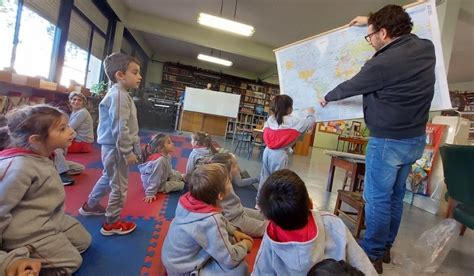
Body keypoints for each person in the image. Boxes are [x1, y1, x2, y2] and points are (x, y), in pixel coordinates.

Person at [319, 5, 435, 273]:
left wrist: (327, 96)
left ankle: (371, 254)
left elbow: (352, 86)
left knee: (378, 199)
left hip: (388, 142)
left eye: (370, 35)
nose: (370, 40)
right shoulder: (426, 49)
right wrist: (370, 21)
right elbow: (400, 21)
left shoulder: (382, 63)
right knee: (395, 197)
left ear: (384, 33)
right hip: (414, 139)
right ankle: (385, 248)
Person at [0, 105, 91, 275]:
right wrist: (6, 263)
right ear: (36, 140)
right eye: (63, 129)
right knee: (72, 261)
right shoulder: (18, 167)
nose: (71, 131)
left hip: (47, 217)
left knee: (83, 241)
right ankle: (19, 251)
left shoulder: (44, 155)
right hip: (26, 232)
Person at [253, 169, 376, 276]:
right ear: (311, 203)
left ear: (271, 220)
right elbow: (364, 266)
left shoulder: (272, 236)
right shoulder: (333, 224)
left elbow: (260, 271)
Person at [78, 52, 142, 236]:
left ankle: (90, 205)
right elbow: (120, 127)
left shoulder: (121, 94)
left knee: (108, 177)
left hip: (113, 148)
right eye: (135, 72)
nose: (139, 76)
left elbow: (130, 126)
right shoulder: (119, 96)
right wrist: (127, 151)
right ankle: (111, 223)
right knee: (120, 187)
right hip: (116, 149)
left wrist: (135, 147)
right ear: (120, 75)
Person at [162, 163, 253, 275]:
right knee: (240, 269)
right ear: (220, 195)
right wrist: (245, 245)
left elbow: (219, 219)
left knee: (230, 240)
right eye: (228, 181)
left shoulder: (188, 200)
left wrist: (234, 231)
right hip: (184, 270)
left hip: (172, 260)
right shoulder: (211, 220)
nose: (231, 181)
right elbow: (230, 260)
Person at [257, 94, 315, 201]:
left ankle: (259, 202)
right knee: (277, 180)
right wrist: (310, 113)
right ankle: (272, 203)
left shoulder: (271, 119)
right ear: (289, 109)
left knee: (264, 176)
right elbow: (309, 124)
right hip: (279, 154)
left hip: (267, 151)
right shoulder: (294, 121)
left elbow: (266, 130)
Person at [204, 153, 267, 237]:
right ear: (225, 171)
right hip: (234, 220)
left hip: (239, 211)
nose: (238, 167)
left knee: (264, 214)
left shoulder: (225, 179)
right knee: (265, 228)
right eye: (234, 166)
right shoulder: (220, 187)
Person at [139, 133, 185, 203]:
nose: (172, 143)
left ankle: (176, 179)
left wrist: (174, 175)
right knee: (181, 185)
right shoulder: (159, 161)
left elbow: (169, 170)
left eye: (171, 141)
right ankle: (174, 182)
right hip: (155, 185)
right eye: (169, 143)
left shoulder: (168, 156)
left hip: (162, 177)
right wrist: (150, 193)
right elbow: (155, 178)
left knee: (178, 174)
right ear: (160, 148)